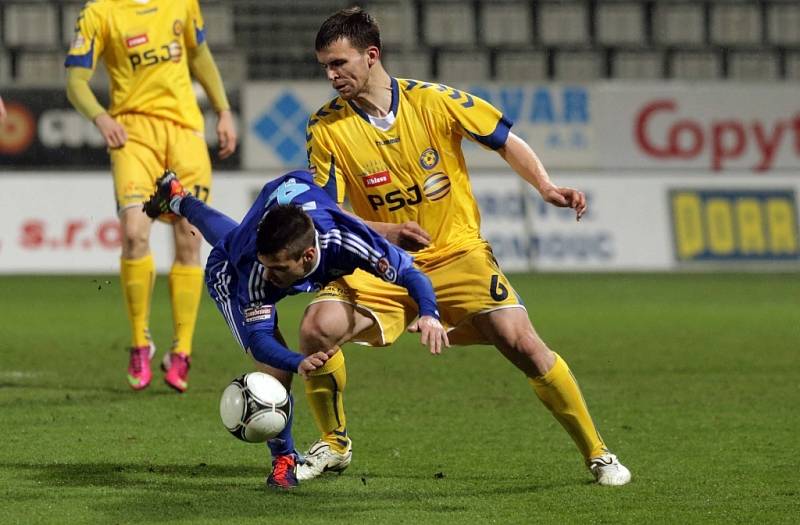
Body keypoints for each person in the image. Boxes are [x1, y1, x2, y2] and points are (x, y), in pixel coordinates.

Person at [297, 7, 631, 486]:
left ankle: (598, 453)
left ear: (371, 56)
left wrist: (545, 186)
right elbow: (326, 209)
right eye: (325, 66)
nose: (331, 76)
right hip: (382, 261)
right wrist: (386, 233)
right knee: (316, 327)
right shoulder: (325, 127)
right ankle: (333, 443)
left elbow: (504, 139)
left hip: (458, 254)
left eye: (339, 64)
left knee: (523, 345)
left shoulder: (433, 101)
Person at [143, 169, 449, 488]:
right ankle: (284, 458)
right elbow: (261, 340)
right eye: (267, 265)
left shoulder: (346, 239)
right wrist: (295, 361)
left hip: (299, 191)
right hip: (229, 271)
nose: (269, 274)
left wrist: (429, 313)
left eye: (278, 268)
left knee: (233, 237)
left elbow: (410, 273)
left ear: (309, 255)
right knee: (273, 371)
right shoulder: (253, 269)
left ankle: (179, 199)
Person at [64, 0, 237, 392]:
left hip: (185, 133)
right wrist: (100, 116)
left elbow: (200, 55)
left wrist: (223, 110)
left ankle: (182, 350)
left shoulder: (182, 4)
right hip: (132, 133)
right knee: (133, 233)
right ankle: (140, 341)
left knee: (188, 239)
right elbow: (75, 82)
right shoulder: (99, 12)